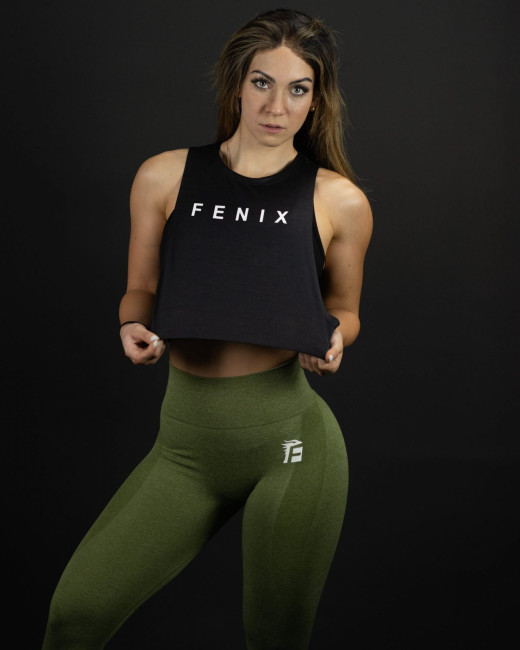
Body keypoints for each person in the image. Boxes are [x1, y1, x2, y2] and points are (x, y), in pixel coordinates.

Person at [42, 8, 373, 649]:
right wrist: (132, 323)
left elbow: (346, 310)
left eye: (298, 89)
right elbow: (142, 289)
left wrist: (337, 337)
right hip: (184, 449)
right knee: (74, 616)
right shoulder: (163, 176)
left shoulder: (339, 200)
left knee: (273, 638)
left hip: (290, 447)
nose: (276, 106)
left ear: (316, 100)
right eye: (262, 82)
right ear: (236, 83)